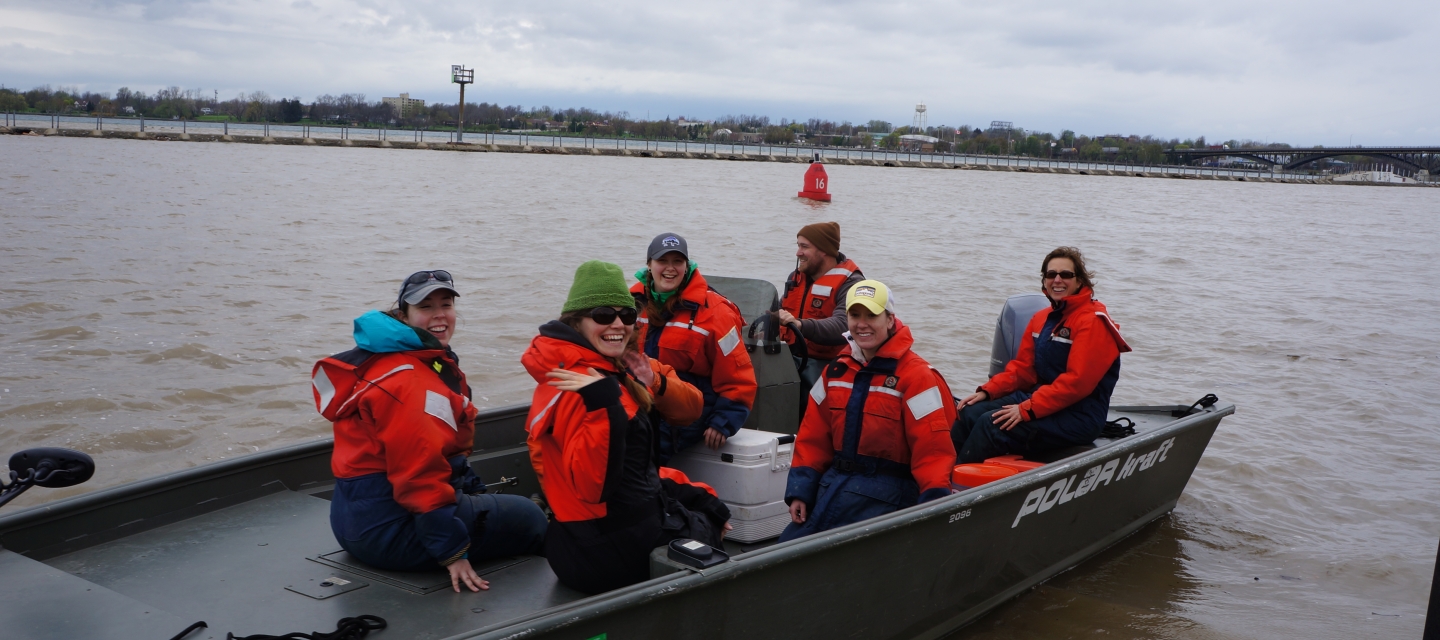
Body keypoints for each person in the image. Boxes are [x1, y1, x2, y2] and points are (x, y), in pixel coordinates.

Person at [313, 270, 548, 594]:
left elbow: (442, 453)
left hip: (354, 521)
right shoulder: (411, 383)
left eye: (446, 304)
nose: (439, 315)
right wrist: (452, 552)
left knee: (495, 506)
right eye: (426, 307)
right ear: (402, 316)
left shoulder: (399, 359)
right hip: (389, 530)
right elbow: (418, 475)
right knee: (529, 517)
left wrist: (473, 492)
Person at [523, 260, 731, 595]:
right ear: (576, 321)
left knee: (710, 505)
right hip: (603, 549)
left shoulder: (618, 368)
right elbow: (595, 489)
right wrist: (604, 404)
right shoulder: (580, 388)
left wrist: (654, 380)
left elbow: (688, 413)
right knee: (713, 535)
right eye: (604, 315)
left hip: (600, 532)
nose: (618, 324)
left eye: (627, 315)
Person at [780, 279, 956, 542]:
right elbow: (813, 435)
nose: (861, 324)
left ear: (889, 319)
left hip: (890, 497)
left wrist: (934, 507)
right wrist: (800, 490)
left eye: (871, 315)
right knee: (788, 548)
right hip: (834, 487)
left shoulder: (917, 376)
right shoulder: (835, 371)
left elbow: (932, 450)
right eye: (854, 315)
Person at [951, 247, 1132, 463]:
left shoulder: (1093, 322)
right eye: (1050, 274)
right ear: (1044, 280)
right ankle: (938, 482)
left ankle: (961, 489)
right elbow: (1024, 370)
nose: (1057, 280)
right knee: (968, 412)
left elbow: (1076, 384)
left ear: (1080, 281)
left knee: (991, 424)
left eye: (1065, 274)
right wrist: (988, 392)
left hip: (1079, 415)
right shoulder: (1042, 318)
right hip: (1041, 400)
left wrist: (1027, 409)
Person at [630, 233, 757, 463]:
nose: (670, 268)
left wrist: (723, 422)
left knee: (639, 459)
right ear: (649, 265)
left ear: (687, 266)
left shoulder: (717, 312)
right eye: (662, 261)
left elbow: (738, 376)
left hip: (687, 414)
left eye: (677, 262)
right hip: (640, 402)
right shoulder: (630, 303)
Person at [776, 222, 866, 412]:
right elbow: (776, 309)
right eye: (798, 245)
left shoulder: (851, 282)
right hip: (789, 362)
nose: (798, 253)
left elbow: (844, 324)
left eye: (804, 247)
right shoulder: (796, 276)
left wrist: (800, 325)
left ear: (824, 250)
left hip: (831, 367)